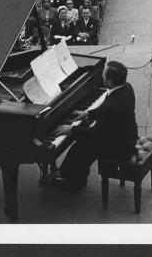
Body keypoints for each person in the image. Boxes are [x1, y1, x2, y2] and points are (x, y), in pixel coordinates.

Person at [54, 61, 138, 193]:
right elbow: (105, 110)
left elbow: (97, 134)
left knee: (80, 147)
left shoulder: (112, 106)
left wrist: (71, 130)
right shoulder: (126, 87)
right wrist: (88, 113)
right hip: (127, 136)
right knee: (82, 145)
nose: (101, 77)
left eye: (103, 74)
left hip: (119, 146)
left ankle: (71, 181)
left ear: (109, 82)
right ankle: (76, 178)